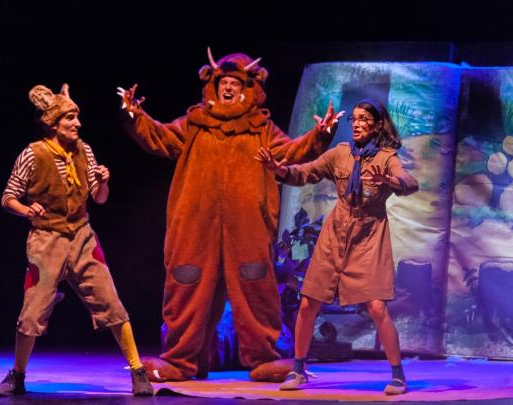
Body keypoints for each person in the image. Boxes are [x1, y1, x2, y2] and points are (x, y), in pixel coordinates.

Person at [117, 49, 343, 382]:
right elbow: (160, 136)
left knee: (256, 288)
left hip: (248, 228)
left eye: (235, 83)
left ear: (247, 89)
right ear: (213, 86)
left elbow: (290, 151)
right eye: (223, 82)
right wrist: (135, 116)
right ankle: (181, 360)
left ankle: (264, 359)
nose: (228, 87)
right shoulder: (195, 124)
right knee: (186, 285)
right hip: (194, 227)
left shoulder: (260, 129)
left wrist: (320, 134)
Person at [0, 83, 153, 397]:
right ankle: (18, 376)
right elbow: (8, 197)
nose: (77, 123)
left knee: (111, 303)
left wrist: (103, 183)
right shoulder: (32, 153)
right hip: (46, 240)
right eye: (70, 118)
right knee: (32, 313)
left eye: (77, 117)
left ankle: (138, 371)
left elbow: (99, 198)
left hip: (82, 237)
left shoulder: (85, 151)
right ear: (53, 124)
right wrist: (27, 209)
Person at [256, 98, 419, 395]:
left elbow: (410, 182)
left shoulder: (386, 158)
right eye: (353, 119)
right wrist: (278, 169)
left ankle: (398, 376)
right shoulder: (340, 154)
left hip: (368, 236)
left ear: (377, 125)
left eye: (363, 119)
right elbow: (305, 172)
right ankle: (298, 369)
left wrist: (391, 181)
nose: (356, 124)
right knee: (309, 303)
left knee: (376, 307)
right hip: (335, 234)